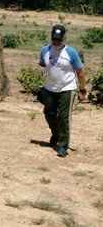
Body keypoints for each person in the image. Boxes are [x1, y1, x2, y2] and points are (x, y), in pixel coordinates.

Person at [38, 24, 87, 158]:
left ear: (64, 38)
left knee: (64, 117)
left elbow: (80, 72)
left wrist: (82, 89)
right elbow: (43, 66)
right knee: (49, 113)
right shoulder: (44, 51)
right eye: (54, 39)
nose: (56, 42)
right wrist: (42, 84)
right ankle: (56, 135)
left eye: (59, 39)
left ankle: (62, 145)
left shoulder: (70, 52)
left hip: (67, 88)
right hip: (49, 88)